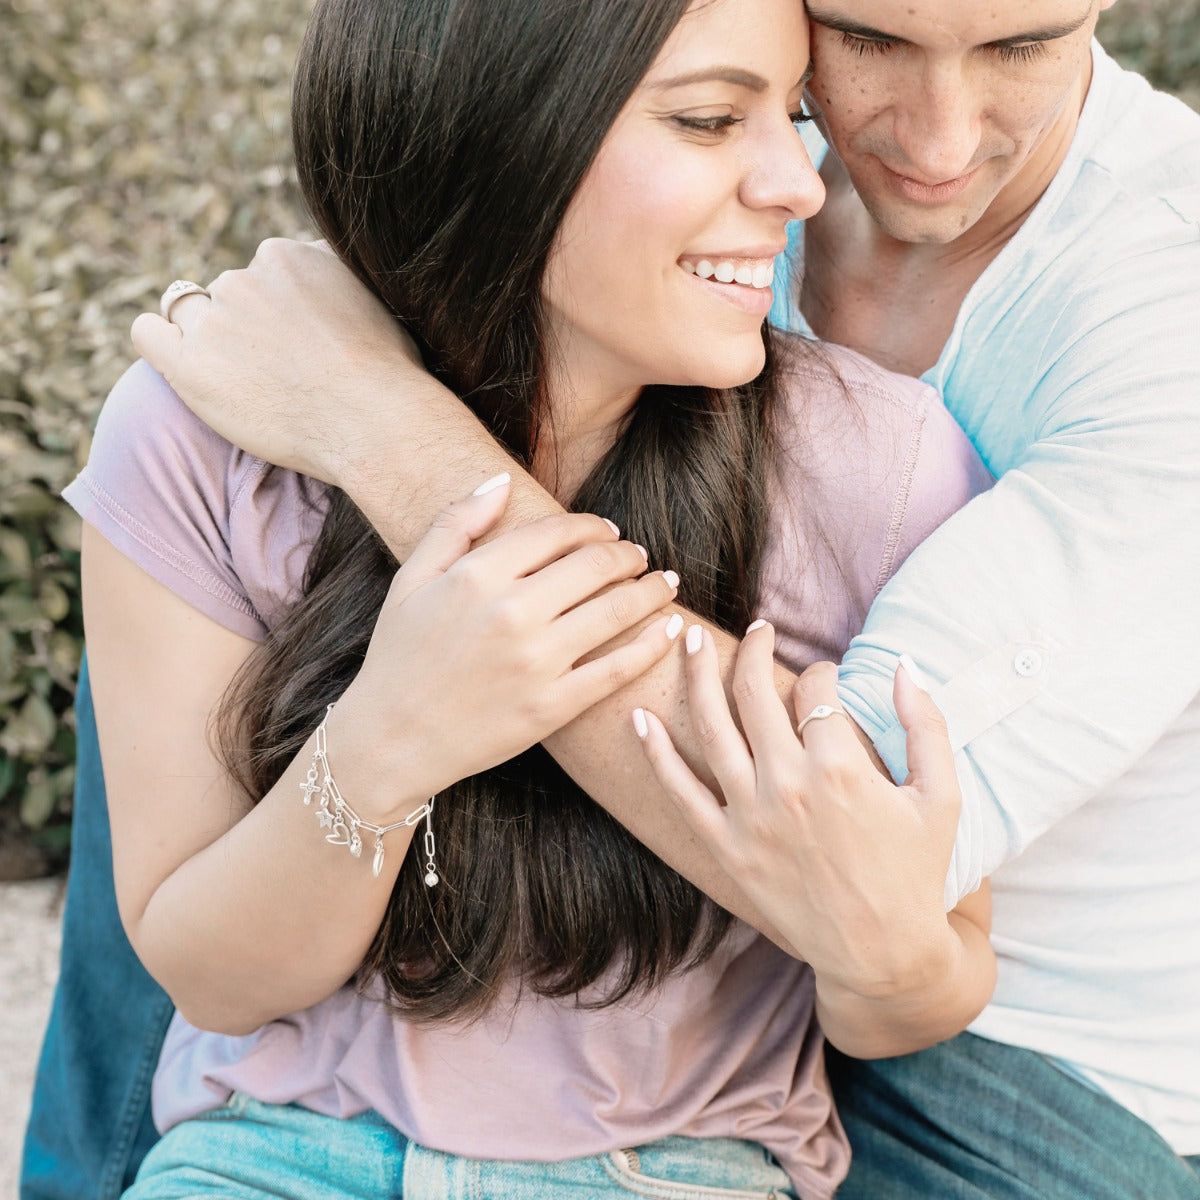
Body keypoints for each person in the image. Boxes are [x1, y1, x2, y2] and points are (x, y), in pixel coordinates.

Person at [79, 2, 1195, 1198]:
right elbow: (208, 955)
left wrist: (381, 433)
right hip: (291, 1124)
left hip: (1014, 1073)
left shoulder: (977, 403)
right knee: (212, 591)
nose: (824, 171)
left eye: (1021, 47)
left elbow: (857, 853)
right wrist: (376, 742)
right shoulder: (211, 434)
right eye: (860, 47)